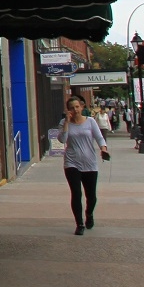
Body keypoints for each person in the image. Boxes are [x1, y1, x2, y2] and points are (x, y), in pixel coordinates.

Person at [58, 96, 109, 235]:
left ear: (81, 107)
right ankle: (79, 224)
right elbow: (62, 139)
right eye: (72, 108)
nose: (75, 110)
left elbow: (99, 138)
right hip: (71, 162)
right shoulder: (64, 123)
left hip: (89, 163)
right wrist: (66, 122)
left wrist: (104, 149)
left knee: (91, 196)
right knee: (76, 193)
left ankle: (89, 213)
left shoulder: (90, 121)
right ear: (68, 110)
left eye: (77, 107)